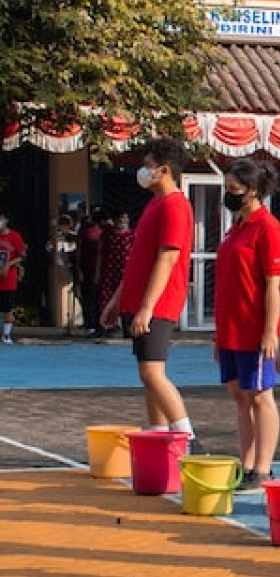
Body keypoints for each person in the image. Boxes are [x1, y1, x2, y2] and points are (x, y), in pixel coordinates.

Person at [98, 138, 198, 445]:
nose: (143, 172)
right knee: (147, 376)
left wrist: (147, 307)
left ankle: (183, 436)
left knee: (153, 373)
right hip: (139, 300)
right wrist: (117, 300)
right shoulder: (155, 205)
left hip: (159, 302)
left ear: (164, 170)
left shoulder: (175, 207)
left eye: (148, 166)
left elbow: (167, 258)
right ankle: (157, 436)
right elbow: (138, 262)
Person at [213, 159, 280, 493]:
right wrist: (219, 334)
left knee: (260, 396)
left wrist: (270, 330)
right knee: (240, 395)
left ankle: (264, 468)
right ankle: (247, 463)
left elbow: (274, 285)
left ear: (253, 191)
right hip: (230, 327)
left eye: (234, 190)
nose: (229, 195)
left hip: (254, 327)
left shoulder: (268, 228)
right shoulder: (235, 228)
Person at [98, 211, 134, 338]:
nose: (123, 221)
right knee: (107, 297)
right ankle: (107, 327)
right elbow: (101, 253)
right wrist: (98, 271)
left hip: (127, 271)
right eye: (121, 218)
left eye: (125, 218)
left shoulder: (132, 235)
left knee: (127, 299)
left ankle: (127, 328)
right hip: (110, 271)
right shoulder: (108, 235)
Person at [0, 211, 27, 344]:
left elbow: (22, 255)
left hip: (8, 279)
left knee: (7, 308)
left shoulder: (14, 236)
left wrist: (9, 264)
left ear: (5, 220)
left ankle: (6, 335)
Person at [76, 213, 103, 336]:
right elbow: (79, 253)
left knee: (96, 297)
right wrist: (79, 270)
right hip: (87, 268)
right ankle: (90, 323)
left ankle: (98, 324)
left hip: (100, 269)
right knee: (88, 297)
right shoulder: (86, 234)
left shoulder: (103, 233)